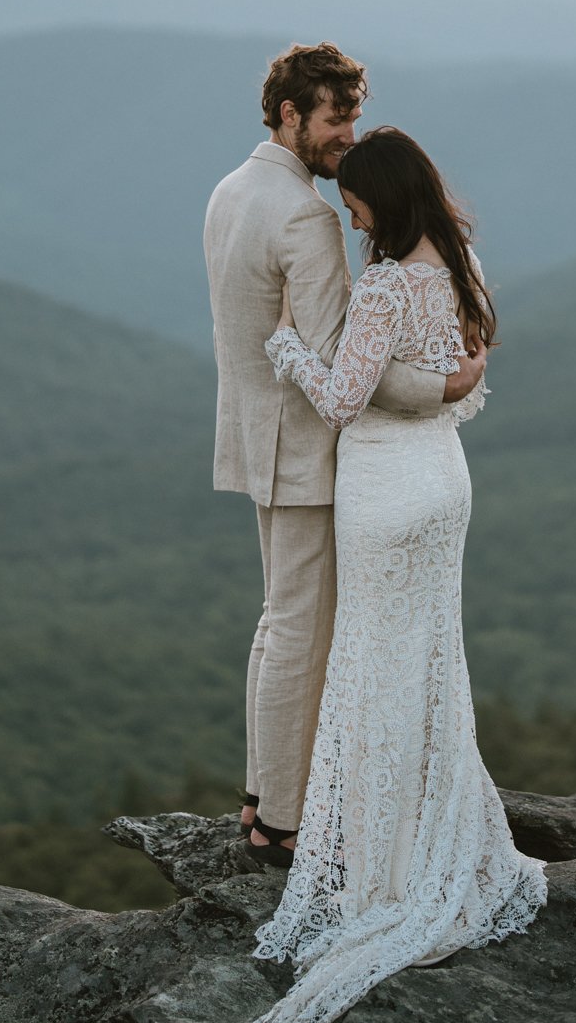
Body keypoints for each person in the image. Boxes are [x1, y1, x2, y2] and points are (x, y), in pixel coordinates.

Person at [252, 124, 547, 1023]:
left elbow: (342, 400)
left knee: (375, 666)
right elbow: (466, 385)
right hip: (446, 485)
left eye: (356, 204)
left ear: (386, 197)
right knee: (430, 664)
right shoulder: (465, 269)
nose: (352, 218)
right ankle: (435, 836)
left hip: (381, 489)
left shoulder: (384, 286)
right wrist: (423, 388)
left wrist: (287, 346)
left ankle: (385, 873)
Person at [204, 43, 486, 865]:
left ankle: (263, 792)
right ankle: (284, 819)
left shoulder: (231, 189)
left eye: (354, 115)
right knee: (304, 628)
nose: (347, 134)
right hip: (310, 451)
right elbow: (347, 368)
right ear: (291, 113)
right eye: (336, 117)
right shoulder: (307, 216)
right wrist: (452, 381)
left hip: (257, 437)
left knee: (276, 620)